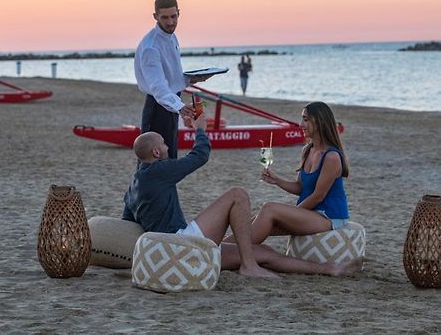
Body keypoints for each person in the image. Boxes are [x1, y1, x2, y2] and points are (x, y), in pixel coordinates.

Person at [122, 111, 361, 278]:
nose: (167, 147)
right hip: (182, 242)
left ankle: (330, 269)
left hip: (173, 249)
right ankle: (248, 265)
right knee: (238, 195)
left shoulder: (134, 185)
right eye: (164, 144)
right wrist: (201, 130)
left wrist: (139, 256)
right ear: (155, 151)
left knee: (263, 252)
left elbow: (127, 224)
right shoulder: (159, 170)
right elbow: (200, 156)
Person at [225, 101, 350, 245]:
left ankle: (231, 252)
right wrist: (277, 181)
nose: (301, 124)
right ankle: (220, 248)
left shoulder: (331, 157)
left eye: (306, 119)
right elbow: (301, 188)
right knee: (255, 220)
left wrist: (291, 213)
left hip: (329, 217)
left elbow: (317, 196)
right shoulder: (307, 150)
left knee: (269, 208)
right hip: (310, 213)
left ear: (320, 122)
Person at [134, 0, 210, 159]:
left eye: (173, 16)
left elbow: (170, 77)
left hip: (171, 104)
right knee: (154, 161)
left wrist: (191, 79)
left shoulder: (171, 36)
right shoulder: (151, 47)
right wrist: (181, 107)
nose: (170, 22)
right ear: (155, 17)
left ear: (179, 13)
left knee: (171, 156)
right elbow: (158, 88)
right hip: (157, 106)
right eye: (165, 18)